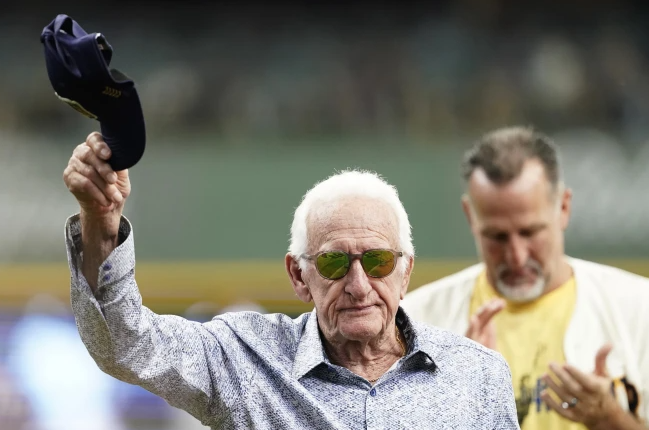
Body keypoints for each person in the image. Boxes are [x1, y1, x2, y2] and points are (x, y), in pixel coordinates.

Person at [61, 132, 519, 429]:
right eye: (335, 264)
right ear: (298, 276)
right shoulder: (244, 358)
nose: (359, 285)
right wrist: (100, 220)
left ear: (406, 271)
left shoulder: (478, 375)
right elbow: (125, 343)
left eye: (377, 261)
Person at [402, 126, 649, 430]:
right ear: (470, 216)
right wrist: (454, 399)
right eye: (497, 236)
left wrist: (610, 419)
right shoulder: (416, 322)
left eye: (530, 232)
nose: (516, 256)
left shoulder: (639, 310)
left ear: (564, 207)